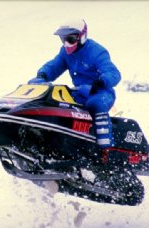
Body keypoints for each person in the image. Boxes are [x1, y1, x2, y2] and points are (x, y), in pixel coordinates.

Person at [28, 19, 121, 151]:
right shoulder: (65, 52)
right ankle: (58, 142)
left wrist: (100, 82)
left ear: (82, 37)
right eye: (63, 39)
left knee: (96, 104)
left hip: (100, 92)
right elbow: (55, 65)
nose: (66, 44)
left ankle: (105, 150)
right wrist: (42, 75)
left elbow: (113, 73)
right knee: (56, 102)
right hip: (79, 92)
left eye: (70, 39)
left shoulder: (96, 52)